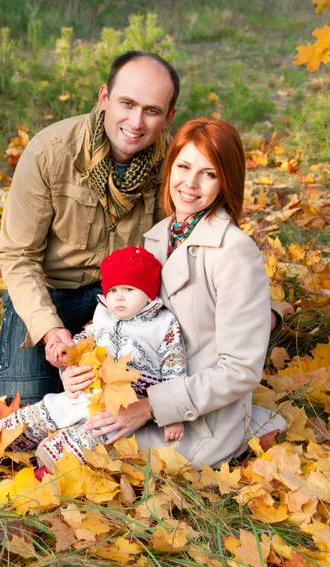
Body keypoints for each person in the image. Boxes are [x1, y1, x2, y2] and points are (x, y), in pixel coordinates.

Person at [62, 117, 286, 469]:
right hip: (142, 385)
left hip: (198, 416)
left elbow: (240, 369)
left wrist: (149, 406)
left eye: (208, 174)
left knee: (80, 453)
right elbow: (133, 321)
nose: (191, 184)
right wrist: (80, 364)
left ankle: (246, 431)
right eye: (184, 166)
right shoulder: (158, 234)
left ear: (225, 181)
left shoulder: (235, 252)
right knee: (53, 425)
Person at [0, 51, 179, 405]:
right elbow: (17, 254)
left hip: (130, 298)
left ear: (168, 116)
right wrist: (49, 328)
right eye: (127, 103)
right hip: (51, 293)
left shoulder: (175, 164)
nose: (136, 122)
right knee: (22, 411)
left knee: (124, 410)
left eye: (152, 111)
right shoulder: (50, 152)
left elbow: (192, 245)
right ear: (104, 98)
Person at [0, 246, 187, 469]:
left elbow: (174, 369)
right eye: (113, 290)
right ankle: (6, 437)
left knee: (98, 430)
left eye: (129, 289)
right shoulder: (104, 313)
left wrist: (172, 414)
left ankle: (56, 459)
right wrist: (69, 354)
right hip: (90, 386)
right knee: (55, 405)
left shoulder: (163, 324)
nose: (119, 297)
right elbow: (88, 338)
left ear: (149, 294)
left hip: (126, 401)